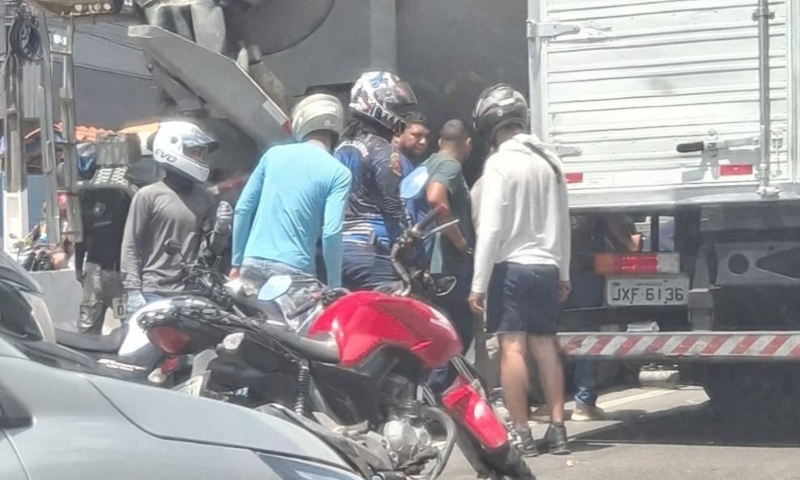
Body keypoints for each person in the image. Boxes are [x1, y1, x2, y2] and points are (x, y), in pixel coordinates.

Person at [467, 84, 572, 456]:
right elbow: (563, 221)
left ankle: (523, 433)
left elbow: (491, 227)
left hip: (510, 267)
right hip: (547, 266)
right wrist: (564, 272)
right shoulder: (550, 161)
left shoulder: (499, 163)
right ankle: (558, 430)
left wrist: (478, 284)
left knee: (512, 347)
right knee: (545, 346)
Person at [229, 93, 351, 317]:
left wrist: (236, 262)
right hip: (294, 272)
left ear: (301, 121)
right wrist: (335, 287)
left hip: (252, 262)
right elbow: (332, 232)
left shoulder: (273, 155)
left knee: (250, 329)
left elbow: (243, 208)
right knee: (298, 336)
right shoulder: (339, 173)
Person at [121, 120, 231, 315]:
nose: (199, 158)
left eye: (201, 153)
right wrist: (133, 290)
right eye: (194, 152)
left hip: (191, 291)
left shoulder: (205, 198)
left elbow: (212, 250)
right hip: (153, 292)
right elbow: (131, 245)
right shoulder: (148, 195)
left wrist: (222, 230)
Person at [335, 71, 420, 290]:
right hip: (373, 250)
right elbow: (393, 207)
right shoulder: (384, 151)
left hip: (338, 249)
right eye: (395, 106)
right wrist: (412, 255)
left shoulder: (342, 147)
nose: (402, 114)